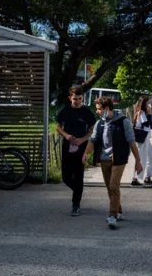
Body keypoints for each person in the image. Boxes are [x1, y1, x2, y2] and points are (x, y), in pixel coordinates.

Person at [83, 96, 143, 229]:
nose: (97, 111)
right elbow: (93, 140)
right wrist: (86, 153)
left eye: (99, 109)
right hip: (105, 160)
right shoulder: (100, 124)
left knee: (113, 186)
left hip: (119, 159)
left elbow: (131, 141)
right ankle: (119, 210)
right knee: (110, 188)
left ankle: (112, 216)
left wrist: (138, 161)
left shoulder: (123, 122)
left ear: (107, 109)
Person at [55, 86, 97, 217]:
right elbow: (58, 126)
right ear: (70, 98)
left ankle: (76, 204)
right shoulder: (65, 110)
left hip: (81, 148)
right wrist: (66, 135)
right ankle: (78, 191)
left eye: (79, 99)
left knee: (78, 176)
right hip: (67, 146)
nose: (77, 101)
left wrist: (82, 139)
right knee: (66, 177)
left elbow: (92, 129)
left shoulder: (86, 112)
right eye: (75, 99)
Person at [131, 97, 152, 187]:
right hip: (142, 139)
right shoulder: (141, 113)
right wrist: (149, 113)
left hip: (146, 138)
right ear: (143, 104)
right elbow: (146, 124)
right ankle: (134, 179)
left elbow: (150, 126)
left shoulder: (144, 113)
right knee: (140, 158)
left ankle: (148, 177)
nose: (149, 105)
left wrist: (151, 116)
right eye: (148, 104)